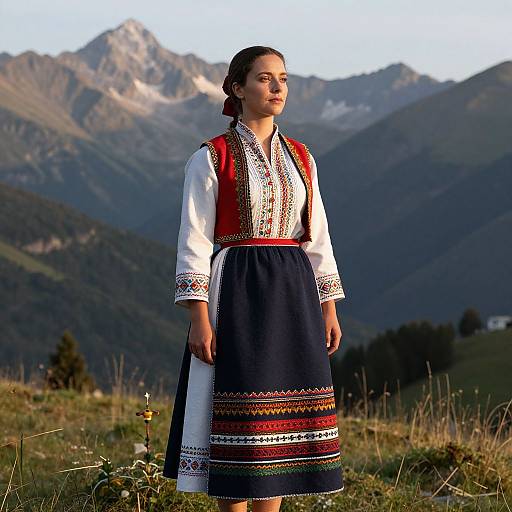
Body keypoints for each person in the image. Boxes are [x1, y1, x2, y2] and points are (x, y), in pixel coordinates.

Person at [163, 46, 346, 512]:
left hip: (293, 292)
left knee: (279, 426)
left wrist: (328, 306)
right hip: (237, 291)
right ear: (237, 88)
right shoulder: (211, 158)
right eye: (264, 79)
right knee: (241, 414)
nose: (277, 87)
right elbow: (195, 241)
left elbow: (316, 235)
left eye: (283, 77)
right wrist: (198, 319)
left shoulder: (302, 157)